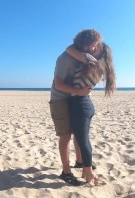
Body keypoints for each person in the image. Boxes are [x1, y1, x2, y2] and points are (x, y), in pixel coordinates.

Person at [49, 29, 102, 186]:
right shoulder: (65, 59)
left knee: (79, 133)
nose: (96, 47)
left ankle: (80, 162)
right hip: (60, 99)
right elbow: (58, 84)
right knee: (65, 136)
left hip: (74, 99)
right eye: (94, 45)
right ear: (85, 46)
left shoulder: (83, 57)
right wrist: (79, 91)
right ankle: (66, 172)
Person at [66, 37, 116, 185]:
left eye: (97, 47)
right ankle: (83, 166)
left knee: (83, 140)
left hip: (80, 104)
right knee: (82, 138)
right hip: (84, 104)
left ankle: (88, 172)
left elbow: (69, 49)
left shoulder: (91, 62)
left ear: (102, 52)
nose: (92, 48)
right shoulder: (100, 65)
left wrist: (86, 50)